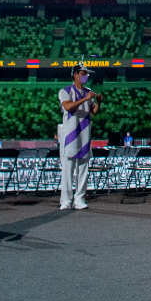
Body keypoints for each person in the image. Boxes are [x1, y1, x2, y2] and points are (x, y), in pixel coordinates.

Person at [58, 63, 103, 210]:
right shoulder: (65, 91)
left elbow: (93, 112)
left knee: (83, 168)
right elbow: (69, 107)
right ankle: (66, 200)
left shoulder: (88, 92)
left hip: (84, 133)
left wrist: (98, 102)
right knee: (68, 169)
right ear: (76, 75)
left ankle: (80, 198)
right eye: (83, 74)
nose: (86, 77)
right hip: (70, 135)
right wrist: (86, 98)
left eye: (87, 74)